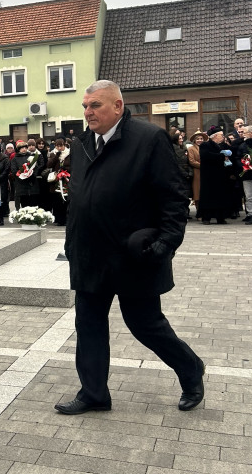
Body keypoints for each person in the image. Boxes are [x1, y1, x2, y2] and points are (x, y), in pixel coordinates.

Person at [58, 80, 204, 415]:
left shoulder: (148, 139)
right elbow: (80, 200)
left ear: (118, 106)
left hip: (134, 254)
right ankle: (94, 393)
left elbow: (174, 196)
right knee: (89, 324)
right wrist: (71, 242)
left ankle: (191, 369)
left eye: (95, 105)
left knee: (145, 325)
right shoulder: (82, 143)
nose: (87, 112)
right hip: (90, 254)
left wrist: (166, 243)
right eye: (85, 106)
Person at [199, 127, 233, 225]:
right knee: (208, 197)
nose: (223, 137)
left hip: (221, 175)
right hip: (209, 176)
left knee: (221, 197)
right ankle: (206, 217)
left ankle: (220, 217)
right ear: (214, 136)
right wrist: (222, 156)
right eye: (221, 135)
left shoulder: (222, 146)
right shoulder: (205, 145)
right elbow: (206, 156)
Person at [187, 131, 206, 218]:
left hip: (205, 172)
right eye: (198, 139)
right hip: (197, 172)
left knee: (204, 192)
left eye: (201, 139)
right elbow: (191, 161)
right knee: (197, 192)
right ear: (194, 140)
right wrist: (203, 165)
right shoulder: (191, 149)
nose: (200, 140)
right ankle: (199, 211)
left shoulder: (205, 147)